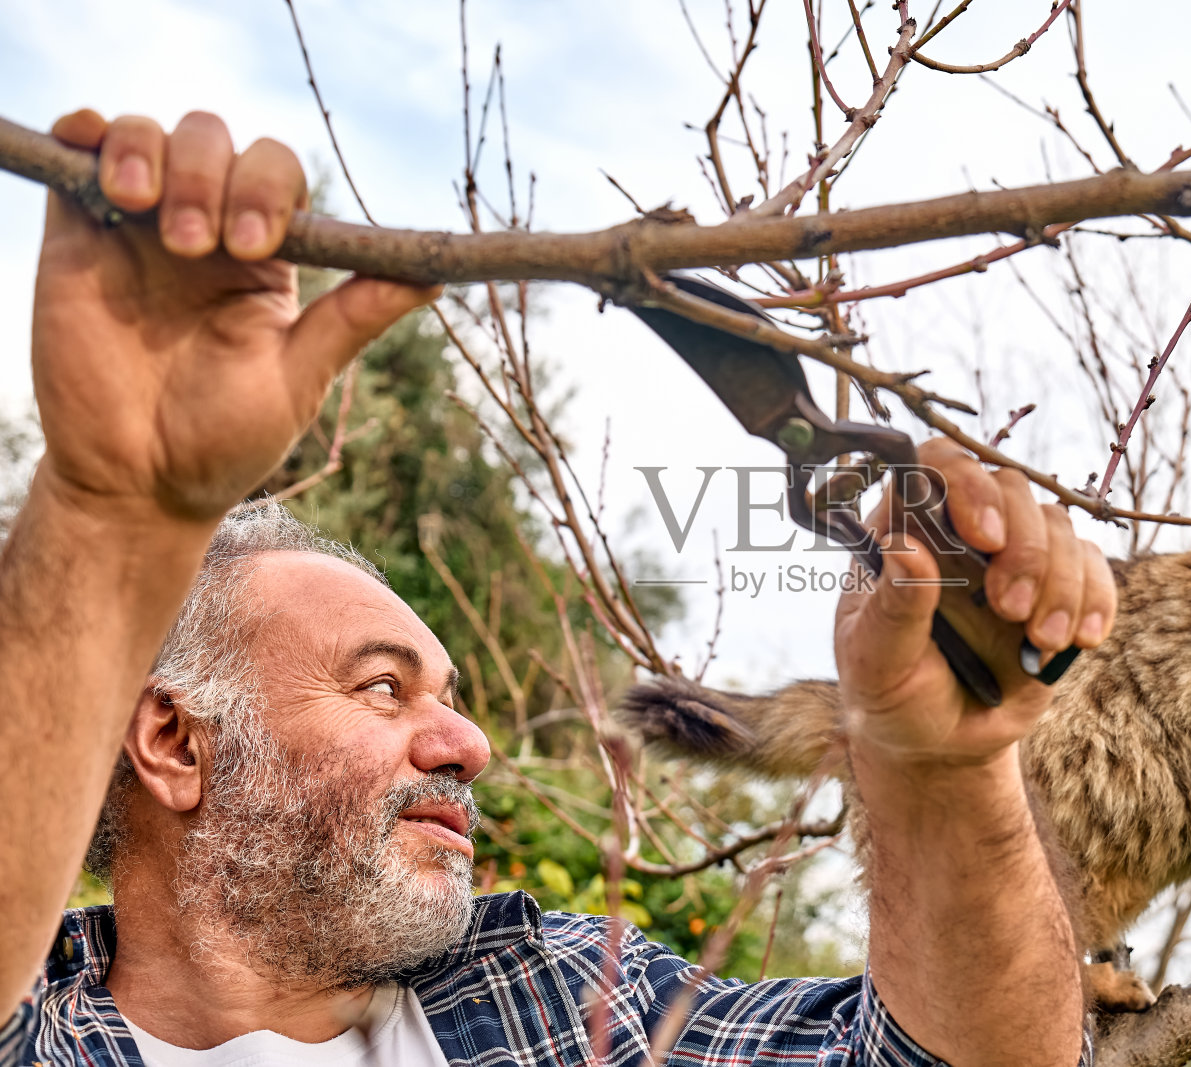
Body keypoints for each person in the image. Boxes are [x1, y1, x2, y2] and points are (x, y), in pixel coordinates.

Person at [0, 109, 1117, 1066]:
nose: (468, 742)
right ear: (176, 741)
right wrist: (110, 514)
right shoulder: (36, 1025)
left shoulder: (574, 1003)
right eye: (382, 687)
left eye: (446, 691)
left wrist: (944, 767)